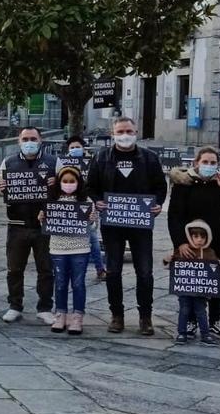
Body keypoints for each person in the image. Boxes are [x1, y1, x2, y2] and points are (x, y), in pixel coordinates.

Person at [85, 116, 167, 335]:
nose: (125, 135)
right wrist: (97, 200)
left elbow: (160, 186)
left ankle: (145, 317)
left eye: (128, 131)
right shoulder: (101, 157)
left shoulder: (149, 158)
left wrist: (158, 204)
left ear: (136, 132)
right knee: (113, 271)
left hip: (140, 224)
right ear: (113, 134)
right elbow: (90, 186)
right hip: (112, 225)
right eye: (120, 131)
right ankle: (117, 315)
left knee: (145, 272)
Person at [167, 146, 220, 339]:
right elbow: (174, 216)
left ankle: (213, 322)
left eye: (213, 163)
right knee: (191, 283)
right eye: (205, 162)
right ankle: (191, 321)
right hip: (190, 241)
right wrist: (180, 243)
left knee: (216, 284)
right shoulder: (183, 184)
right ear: (196, 163)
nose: (209, 166)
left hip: (218, 241)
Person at [0, 126, 57, 325]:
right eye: (25, 138)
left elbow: (69, 186)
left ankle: (45, 307)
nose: (29, 142)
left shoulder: (53, 162)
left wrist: (57, 184)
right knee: (14, 269)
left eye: (33, 138)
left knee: (46, 269)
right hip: (17, 224)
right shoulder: (9, 162)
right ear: (19, 142)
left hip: (44, 225)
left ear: (40, 141)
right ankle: (14, 306)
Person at [42, 166, 95, 335]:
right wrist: (41, 218)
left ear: (78, 183)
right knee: (60, 283)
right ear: (59, 182)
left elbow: (93, 227)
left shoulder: (86, 200)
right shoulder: (53, 200)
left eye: (72, 181)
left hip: (80, 248)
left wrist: (92, 220)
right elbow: (46, 224)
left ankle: (78, 316)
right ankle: (60, 314)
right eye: (65, 181)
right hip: (58, 248)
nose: (68, 184)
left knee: (78, 283)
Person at [166, 220, 220, 345]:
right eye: (196, 236)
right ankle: (182, 332)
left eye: (202, 237)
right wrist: (167, 260)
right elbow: (172, 265)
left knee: (201, 311)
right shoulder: (183, 250)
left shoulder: (210, 252)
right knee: (184, 310)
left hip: (201, 292)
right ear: (189, 236)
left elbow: (216, 271)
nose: (199, 240)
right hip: (185, 290)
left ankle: (205, 334)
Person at [65, 136, 106, 280]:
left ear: (83, 148)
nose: (75, 150)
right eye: (72, 148)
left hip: (88, 203)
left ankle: (100, 269)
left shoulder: (92, 163)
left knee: (92, 237)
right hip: (69, 204)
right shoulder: (64, 163)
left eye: (77, 147)